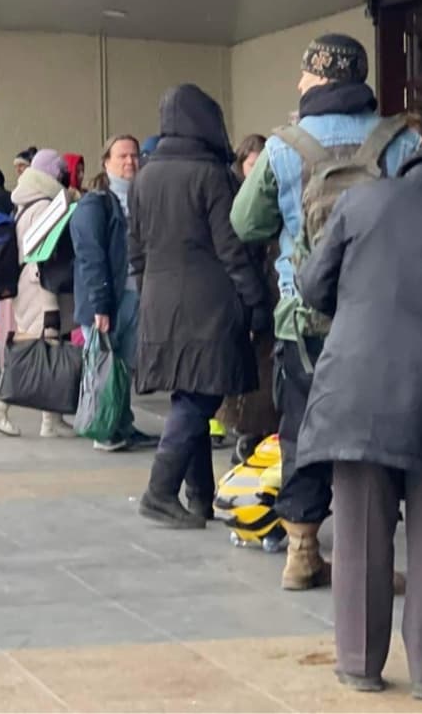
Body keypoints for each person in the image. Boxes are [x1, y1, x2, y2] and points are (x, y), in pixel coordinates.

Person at [295, 128, 422, 699]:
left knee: (358, 525)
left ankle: (359, 662)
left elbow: (313, 287)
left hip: (353, 383)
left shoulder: (361, 199)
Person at [232, 32, 422, 589]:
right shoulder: (401, 142)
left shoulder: (285, 146)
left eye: (304, 75)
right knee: (378, 435)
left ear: (319, 78)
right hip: (385, 318)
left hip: (304, 320)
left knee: (302, 432)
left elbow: (245, 224)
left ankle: (302, 552)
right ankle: (374, 562)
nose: (298, 84)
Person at [133, 85, 270, 528]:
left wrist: (146, 290)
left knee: (187, 394)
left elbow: (134, 250)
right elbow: (231, 248)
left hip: (159, 300)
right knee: (201, 395)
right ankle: (159, 491)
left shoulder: (145, 176)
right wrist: (255, 300)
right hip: (208, 305)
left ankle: (198, 496)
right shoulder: (211, 175)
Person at [0, 149, 79, 438]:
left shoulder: (27, 201)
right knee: (36, 349)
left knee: (50, 348)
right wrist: (49, 303)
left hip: (31, 284)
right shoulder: (43, 204)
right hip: (40, 287)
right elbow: (41, 254)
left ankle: (52, 418)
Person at [72, 134, 153, 451]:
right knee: (104, 366)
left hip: (135, 296)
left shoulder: (141, 200)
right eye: (122, 156)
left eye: (134, 155)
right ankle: (103, 429)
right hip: (108, 299)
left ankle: (122, 424)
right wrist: (101, 306)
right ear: (106, 162)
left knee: (123, 365)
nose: (130, 161)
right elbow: (91, 258)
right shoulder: (96, 204)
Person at [218, 133, 278, 462]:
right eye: (250, 164)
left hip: (267, 289)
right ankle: (246, 429)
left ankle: (255, 430)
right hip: (250, 291)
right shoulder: (236, 203)